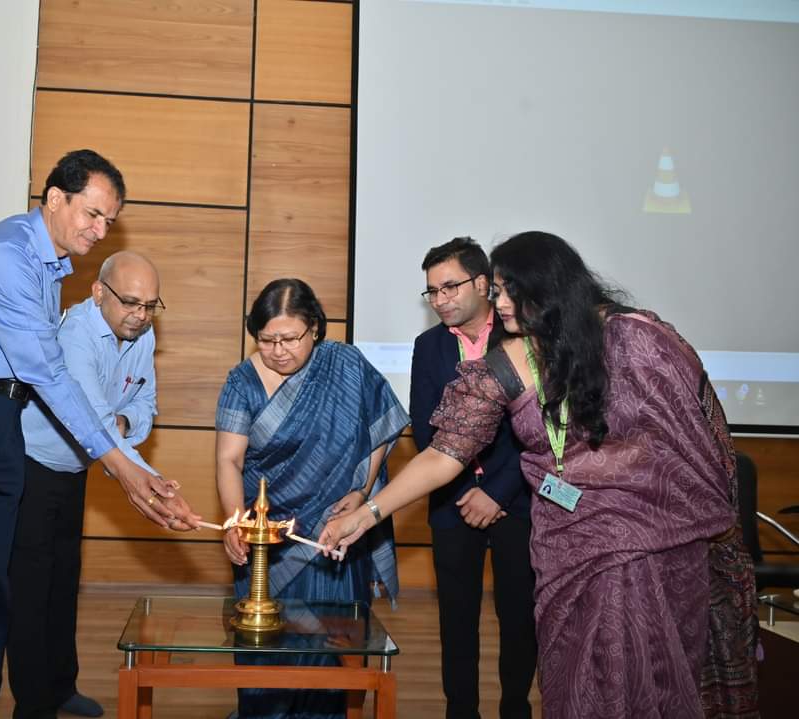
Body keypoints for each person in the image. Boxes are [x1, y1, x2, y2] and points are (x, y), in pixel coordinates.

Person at [320, 232, 758, 719]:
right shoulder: (514, 357)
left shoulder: (640, 338)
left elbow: (699, 433)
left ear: (548, 289)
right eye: (499, 290)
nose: (499, 301)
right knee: (574, 679)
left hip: (654, 549)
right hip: (565, 548)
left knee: (651, 680)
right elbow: (444, 451)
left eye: (509, 291)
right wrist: (368, 514)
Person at [0, 150, 199, 719]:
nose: (100, 231)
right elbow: (48, 372)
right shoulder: (8, 257)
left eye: (109, 221)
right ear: (55, 198)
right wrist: (125, 469)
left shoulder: (50, 267)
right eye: (93, 214)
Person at [215, 278, 409, 719]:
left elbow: (384, 424)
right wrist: (235, 522)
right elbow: (229, 459)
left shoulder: (345, 364)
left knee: (329, 651)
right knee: (264, 650)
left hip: (331, 532)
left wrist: (362, 491)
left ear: (316, 329)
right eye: (267, 340)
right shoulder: (241, 382)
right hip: (267, 536)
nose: (279, 350)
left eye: (290, 338)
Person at [7, 251, 164, 719]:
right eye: (130, 302)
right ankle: (32, 707)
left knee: (63, 582)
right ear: (99, 293)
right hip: (32, 467)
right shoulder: (76, 334)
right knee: (32, 591)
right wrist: (145, 477)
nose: (139, 315)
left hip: (76, 469)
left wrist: (120, 422)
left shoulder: (143, 333)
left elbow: (145, 408)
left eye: (150, 305)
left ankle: (60, 688)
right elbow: (94, 422)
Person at [410, 237, 536, 719]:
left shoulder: (521, 337)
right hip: (451, 501)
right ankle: (460, 711)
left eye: (449, 287)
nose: (440, 300)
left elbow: (536, 432)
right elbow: (427, 427)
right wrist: (465, 492)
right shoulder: (428, 346)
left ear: (483, 283)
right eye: (432, 292)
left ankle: (515, 709)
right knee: (456, 618)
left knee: (518, 617)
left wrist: (497, 492)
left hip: (517, 500)